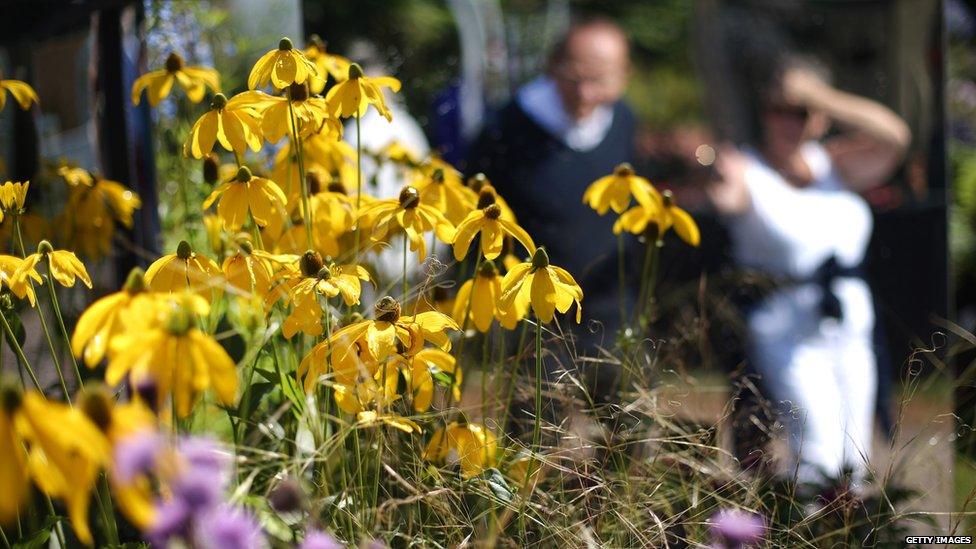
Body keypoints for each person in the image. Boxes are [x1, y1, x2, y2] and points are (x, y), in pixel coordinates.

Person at [709, 58, 911, 489]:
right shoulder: (746, 168)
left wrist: (816, 95)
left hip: (850, 329)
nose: (788, 121)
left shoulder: (834, 165)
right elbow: (721, 195)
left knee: (854, 455)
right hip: (785, 331)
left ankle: (842, 535)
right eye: (777, 109)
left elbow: (896, 136)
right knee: (816, 447)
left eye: (799, 111)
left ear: (820, 117)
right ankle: (804, 530)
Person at [464, 17, 638, 386]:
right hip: (535, 309)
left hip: (609, 304)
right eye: (575, 79)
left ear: (624, 76)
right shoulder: (508, 127)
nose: (585, 94)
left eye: (600, 81)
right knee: (536, 424)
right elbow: (473, 216)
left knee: (629, 423)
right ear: (552, 67)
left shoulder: (623, 120)